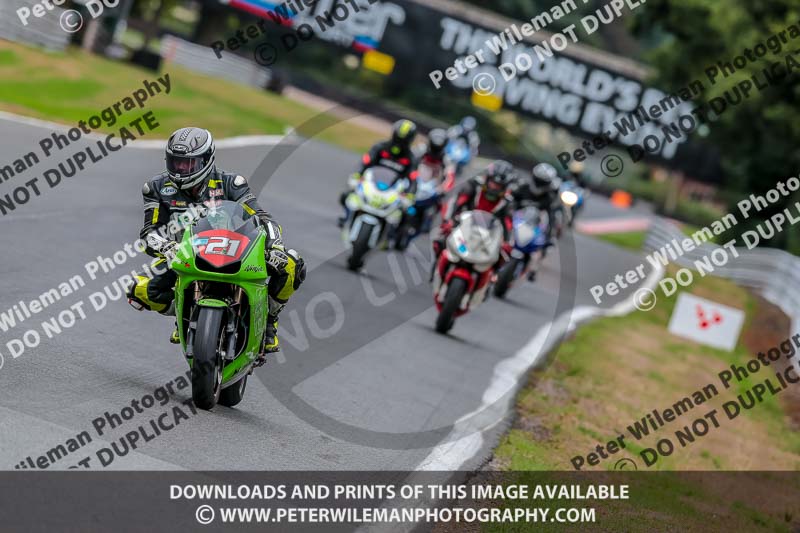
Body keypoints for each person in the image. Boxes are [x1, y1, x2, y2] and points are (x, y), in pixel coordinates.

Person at [126, 127, 306, 356]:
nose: (180, 170)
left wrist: (275, 246)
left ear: (206, 160)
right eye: (175, 162)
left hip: (235, 250)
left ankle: (269, 321)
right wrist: (166, 246)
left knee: (292, 264)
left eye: (188, 164)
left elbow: (262, 218)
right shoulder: (156, 188)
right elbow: (149, 232)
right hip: (186, 254)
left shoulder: (231, 183)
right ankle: (185, 315)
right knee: (140, 290)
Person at [338, 119, 419, 226]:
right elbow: (365, 162)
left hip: (394, 190)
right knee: (346, 195)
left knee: (409, 213)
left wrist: (410, 195)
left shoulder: (411, 158)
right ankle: (347, 216)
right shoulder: (380, 147)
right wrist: (357, 175)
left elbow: (413, 179)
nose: (400, 142)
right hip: (372, 183)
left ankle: (395, 237)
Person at [433, 160, 515, 262]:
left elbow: (509, 224)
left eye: (498, 186)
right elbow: (455, 203)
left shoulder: (507, 202)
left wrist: (507, 243)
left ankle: (491, 277)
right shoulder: (473, 185)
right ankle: (436, 267)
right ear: (487, 179)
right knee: (439, 241)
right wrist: (449, 221)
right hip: (463, 227)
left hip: (488, 239)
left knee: (502, 259)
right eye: (492, 183)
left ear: (505, 187)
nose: (494, 187)